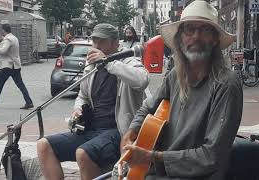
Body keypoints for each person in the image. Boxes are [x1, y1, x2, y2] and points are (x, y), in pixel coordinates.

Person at [120, 1, 243, 180]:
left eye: (205, 29)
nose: (196, 36)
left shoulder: (226, 84)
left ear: (215, 39)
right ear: (179, 38)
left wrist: (153, 157)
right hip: (162, 171)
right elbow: (148, 108)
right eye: (189, 29)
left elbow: (211, 156)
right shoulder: (174, 76)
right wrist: (130, 132)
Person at [37, 23, 149, 180]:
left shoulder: (127, 61)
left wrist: (108, 62)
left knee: (83, 153)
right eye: (94, 41)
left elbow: (142, 80)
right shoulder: (92, 67)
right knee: (43, 145)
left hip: (119, 131)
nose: (95, 46)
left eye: (101, 41)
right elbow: (82, 96)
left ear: (115, 43)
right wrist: (77, 109)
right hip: (91, 130)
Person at [0, 24, 33, 109]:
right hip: (15, 65)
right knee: (21, 85)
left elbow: (3, 51)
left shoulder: (8, 39)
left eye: (1, 30)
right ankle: (29, 102)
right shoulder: (14, 38)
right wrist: (0, 41)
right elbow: (7, 47)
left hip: (7, 65)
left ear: (3, 30)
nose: (1, 32)